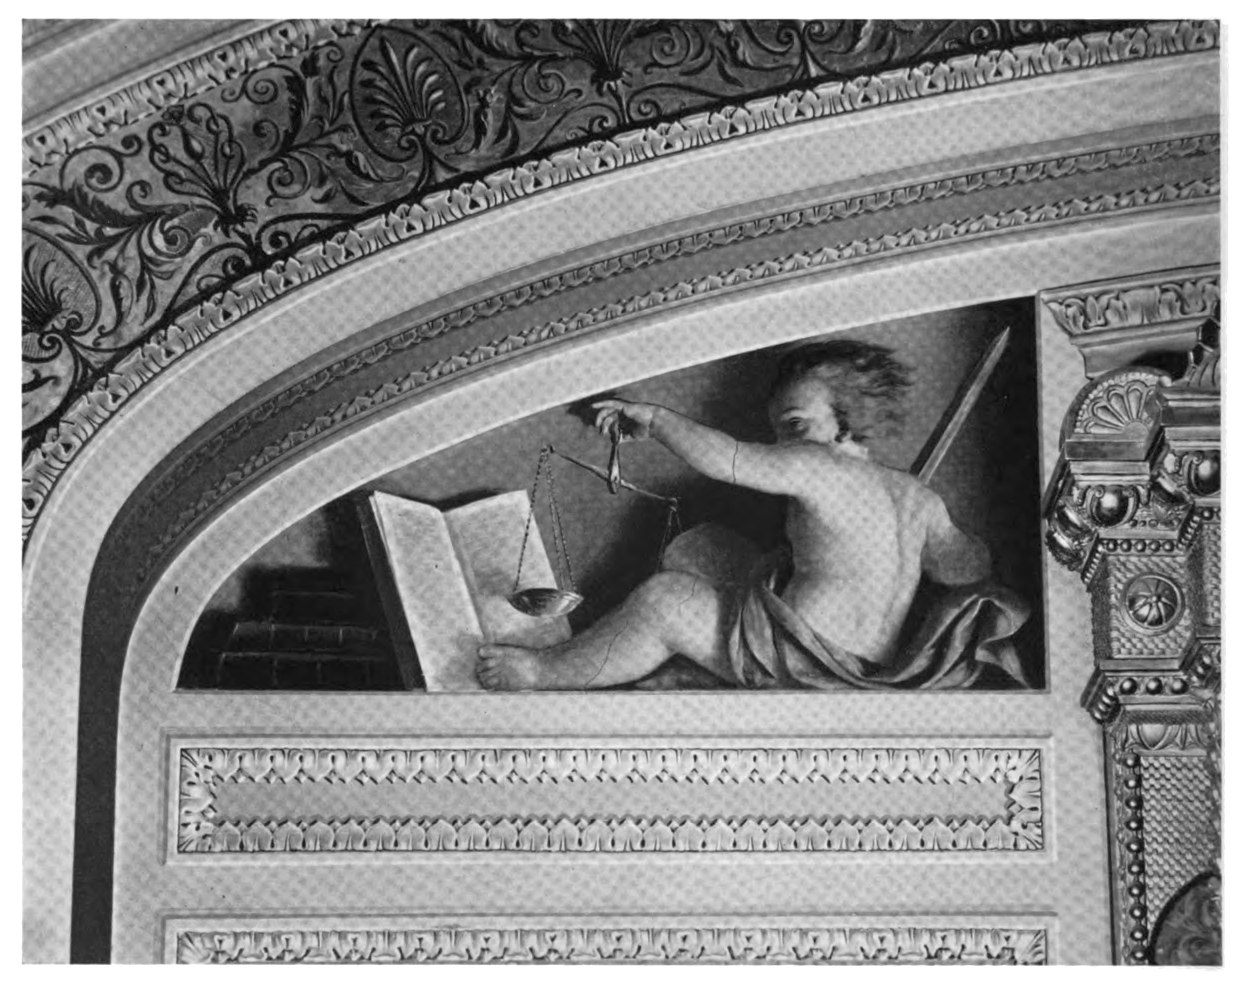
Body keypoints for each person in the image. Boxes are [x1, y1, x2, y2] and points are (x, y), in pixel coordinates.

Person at [477, 340, 1029, 691]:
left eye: (794, 424)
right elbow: (967, 567)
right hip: (862, 669)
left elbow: (729, 459)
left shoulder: (816, 464)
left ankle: (542, 672)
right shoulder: (919, 498)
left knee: (665, 600)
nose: (782, 443)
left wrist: (657, 420)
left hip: (802, 662)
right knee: (702, 548)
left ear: (846, 419)